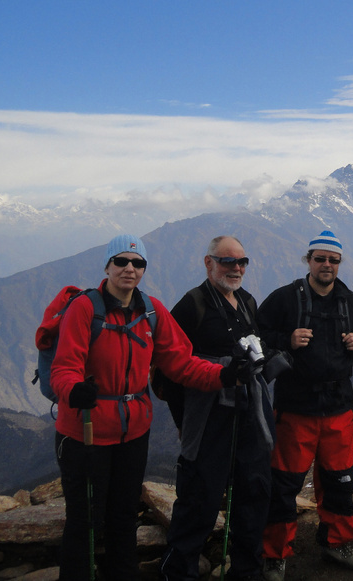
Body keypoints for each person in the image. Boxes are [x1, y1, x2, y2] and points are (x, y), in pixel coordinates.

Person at [50, 234, 249, 581]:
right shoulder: (84, 308)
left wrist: (224, 375)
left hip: (132, 432)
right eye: (122, 261)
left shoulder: (152, 311)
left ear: (144, 269)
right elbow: (63, 367)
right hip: (86, 430)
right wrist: (72, 389)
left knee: (123, 515)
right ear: (108, 266)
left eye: (137, 263)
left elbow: (182, 364)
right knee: (85, 520)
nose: (129, 268)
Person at [257, 230, 353, 581]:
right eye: (320, 258)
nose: (327, 265)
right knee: (284, 484)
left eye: (333, 260)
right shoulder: (284, 299)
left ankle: (337, 542)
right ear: (308, 260)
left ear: (340, 263)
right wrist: (286, 340)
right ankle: (275, 553)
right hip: (295, 410)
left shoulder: (350, 302)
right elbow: (256, 337)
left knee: (339, 481)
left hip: (338, 408)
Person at [160, 236, 275, 581]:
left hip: (249, 415)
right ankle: (179, 572)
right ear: (208, 263)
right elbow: (169, 372)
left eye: (242, 262)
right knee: (200, 498)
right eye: (227, 262)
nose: (236, 269)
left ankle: (247, 571)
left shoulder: (248, 302)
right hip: (208, 419)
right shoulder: (190, 306)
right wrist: (183, 423)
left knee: (253, 492)